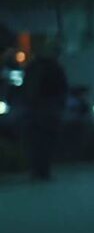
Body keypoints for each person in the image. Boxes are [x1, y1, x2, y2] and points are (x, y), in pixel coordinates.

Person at [21, 44, 68, 181]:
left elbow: (27, 88)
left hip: (36, 109)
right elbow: (62, 88)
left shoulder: (34, 67)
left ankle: (37, 170)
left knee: (36, 141)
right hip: (48, 109)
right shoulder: (54, 68)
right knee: (46, 141)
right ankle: (43, 170)